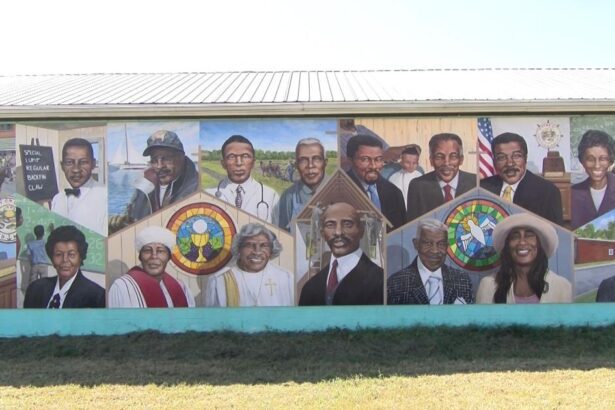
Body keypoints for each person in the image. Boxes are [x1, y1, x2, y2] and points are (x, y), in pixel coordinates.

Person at [109, 130, 199, 232]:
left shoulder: (197, 187)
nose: (159, 166)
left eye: (167, 158)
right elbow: (132, 217)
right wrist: (120, 225)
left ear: (181, 156)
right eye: (154, 159)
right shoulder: (144, 185)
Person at [299, 202, 383, 305]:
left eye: (347, 224)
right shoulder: (310, 288)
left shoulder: (380, 281)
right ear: (322, 233)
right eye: (330, 225)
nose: (338, 232)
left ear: (361, 230)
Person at [476, 213, 571, 304]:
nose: (522, 242)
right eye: (515, 237)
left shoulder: (562, 287)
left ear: (539, 244)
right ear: (507, 246)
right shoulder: (489, 285)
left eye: (529, 235)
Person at [480, 132, 563, 225]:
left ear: (525, 158)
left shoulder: (547, 191)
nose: (510, 163)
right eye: (501, 157)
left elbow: (556, 234)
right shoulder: (482, 188)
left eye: (516, 156)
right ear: (494, 162)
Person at [388, 218, 474, 304]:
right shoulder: (396, 283)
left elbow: (471, 317)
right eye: (428, 243)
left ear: (447, 246)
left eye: (441, 244)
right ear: (416, 244)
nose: (435, 250)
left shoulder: (462, 280)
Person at [205, 223, 293, 306]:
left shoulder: (285, 278)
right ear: (239, 248)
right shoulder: (219, 280)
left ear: (272, 250)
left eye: (264, 245)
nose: (257, 252)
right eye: (249, 245)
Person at [108, 226, 195, 308]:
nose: (154, 256)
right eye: (147, 251)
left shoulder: (181, 287)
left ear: (169, 257)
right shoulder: (123, 286)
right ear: (140, 257)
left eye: (160, 251)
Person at [23, 225, 105, 308]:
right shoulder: (35, 289)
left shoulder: (97, 297)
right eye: (58, 254)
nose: (65, 260)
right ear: (52, 257)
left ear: (80, 257)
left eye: (71, 254)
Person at [205, 135, 279, 223]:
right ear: (223, 163)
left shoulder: (270, 196)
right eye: (231, 157)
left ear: (253, 163)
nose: (239, 163)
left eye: (245, 156)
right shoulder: (208, 195)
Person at [407, 133, 476, 221]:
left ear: (461, 159)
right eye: (439, 157)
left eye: (453, 156)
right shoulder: (418, 186)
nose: (446, 163)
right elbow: (412, 227)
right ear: (431, 160)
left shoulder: (475, 183)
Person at [345, 134, 406, 231]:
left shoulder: (394, 193)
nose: (373, 166)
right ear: (350, 160)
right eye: (365, 159)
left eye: (378, 159)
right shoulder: (340, 190)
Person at [51, 138, 107, 235]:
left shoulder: (105, 197)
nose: (76, 169)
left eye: (83, 162)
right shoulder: (57, 199)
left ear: (93, 164)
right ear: (62, 166)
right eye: (69, 162)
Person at [274, 138, 328, 231]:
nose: (310, 165)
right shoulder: (288, 196)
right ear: (296, 165)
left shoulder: (341, 189)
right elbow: (283, 235)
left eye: (316, 159)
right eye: (303, 160)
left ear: (325, 163)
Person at [571, 130, 615, 229]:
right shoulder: (573, 193)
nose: (597, 165)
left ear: (610, 160)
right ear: (582, 161)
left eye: (603, 159)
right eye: (590, 159)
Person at [388, 145, 423, 209]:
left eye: (414, 163)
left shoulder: (420, 176)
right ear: (401, 162)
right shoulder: (394, 178)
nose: (411, 166)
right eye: (407, 162)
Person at [24, 225, 49, 292]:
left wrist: (31, 262)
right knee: (44, 283)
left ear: (35, 233)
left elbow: (28, 255)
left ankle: (33, 296)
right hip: (44, 265)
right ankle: (42, 297)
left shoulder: (30, 244)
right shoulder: (45, 243)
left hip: (34, 265)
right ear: (43, 233)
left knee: (32, 283)